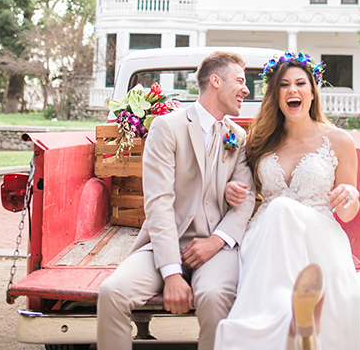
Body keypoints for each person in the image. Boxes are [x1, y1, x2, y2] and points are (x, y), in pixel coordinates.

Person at [214, 52, 360, 350]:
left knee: (283, 208)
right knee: (279, 209)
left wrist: (350, 197)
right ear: (276, 94)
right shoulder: (258, 139)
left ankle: (286, 317)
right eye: (284, 85)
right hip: (266, 236)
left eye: (300, 83)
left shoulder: (338, 140)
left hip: (318, 236)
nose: (292, 90)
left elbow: (348, 212)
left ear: (312, 91)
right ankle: (290, 316)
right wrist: (231, 188)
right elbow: (240, 183)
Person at [97, 50, 256, 350]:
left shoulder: (238, 136)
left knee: (214, 296)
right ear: (215, 81)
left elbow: (245, 201)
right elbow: (158, 202)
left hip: (215, 246)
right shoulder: (168, 127)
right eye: (240, 81)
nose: (246, 90)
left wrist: (217, 240)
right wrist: (171, 272)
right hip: (164, 244)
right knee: (112, 292)